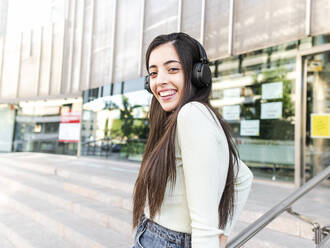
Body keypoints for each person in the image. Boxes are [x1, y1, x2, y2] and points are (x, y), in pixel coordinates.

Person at [131, 32, 253, 248]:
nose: (160, 81)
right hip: (157, 237)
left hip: (167, 241)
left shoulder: (192, 114)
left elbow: (204, 225)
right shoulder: (188, 117)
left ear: (198, 74)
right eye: (154, 73)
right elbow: (242, 176)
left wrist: (217, 235)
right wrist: (223, 231)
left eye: (173, 69)